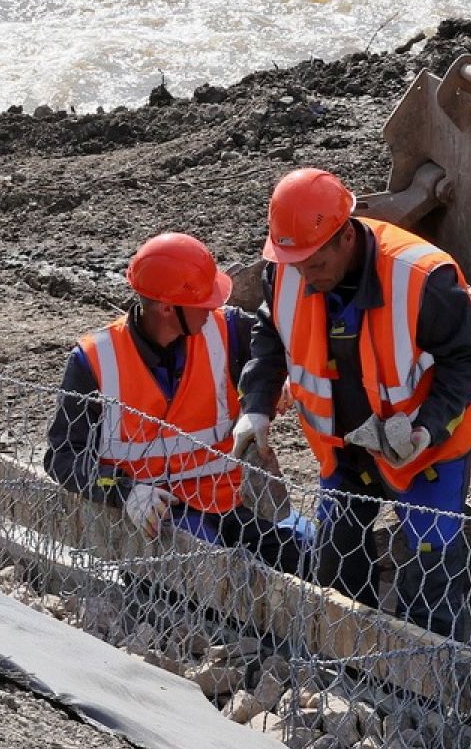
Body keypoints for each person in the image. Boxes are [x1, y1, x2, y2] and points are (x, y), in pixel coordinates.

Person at [234, 167, 471, 636]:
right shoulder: (287, 270)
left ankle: (431, 672)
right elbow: (269, 335)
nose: (306, 277)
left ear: (345, 236)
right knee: (338, 557)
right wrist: (256, 405)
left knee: (432, 568)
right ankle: (351, 661)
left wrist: (426, 428)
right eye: (296, 264)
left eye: (316, 264)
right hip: (343, 448)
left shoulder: (422, 278)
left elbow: (465, 361)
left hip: (425, 447)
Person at [44, 232, 304, 570]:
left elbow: (275, 347)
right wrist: (123, 491)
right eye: (203, 301)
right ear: (168, 309)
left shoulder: (226, 329)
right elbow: (63, 457)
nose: (214, 307)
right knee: (216, 578)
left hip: (234, 504)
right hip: (161, 519)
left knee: (310, 556)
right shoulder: (95, 360)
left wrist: (283, 377)